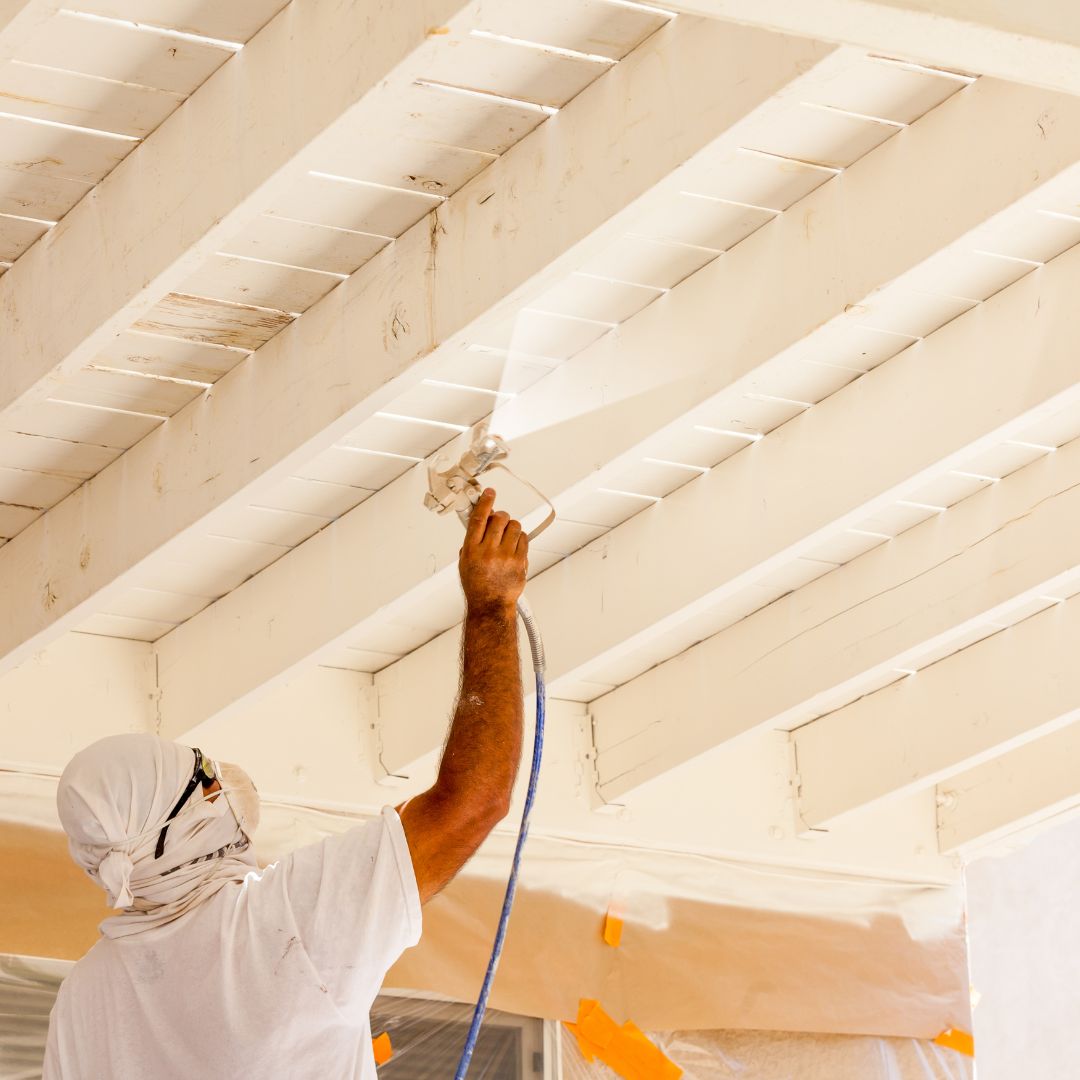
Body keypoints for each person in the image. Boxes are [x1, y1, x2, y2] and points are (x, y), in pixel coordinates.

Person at [44, 488, 528, 1079]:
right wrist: (491, 609)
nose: (220, 784)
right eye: (202, 779)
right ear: (175, 832)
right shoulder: (279, 926)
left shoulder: (86, 1000)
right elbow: (474, 802)